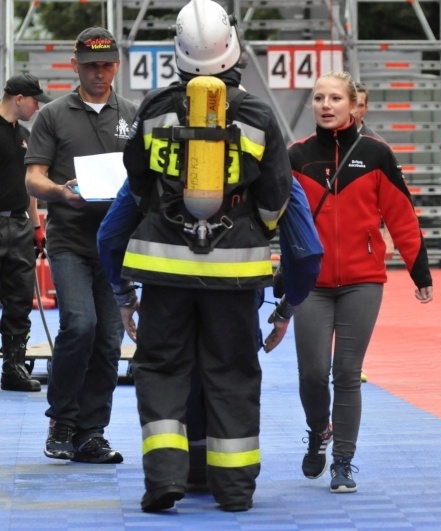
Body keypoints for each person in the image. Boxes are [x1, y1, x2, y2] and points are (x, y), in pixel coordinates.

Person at [118, 0, 293, 512]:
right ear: (232, 50)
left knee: (161, 370)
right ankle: (235, 490)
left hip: (165, 269)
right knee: (232, 372)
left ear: (179, 51)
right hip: (235, 274)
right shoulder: (259, 114)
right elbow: (277, 193)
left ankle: (165, 481)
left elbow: (138, 184)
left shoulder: (152, 109)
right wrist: (247, 231)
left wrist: (170, 222)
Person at [288, 70, 433, 494]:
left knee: (346, 372)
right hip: (311, 281)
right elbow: (277, 218)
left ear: (354, 105)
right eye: (318, 98)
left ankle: (343, 463)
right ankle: (319, 431)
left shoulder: (376, 154)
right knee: (312, 374)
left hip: (363, 280)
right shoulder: (295, 157)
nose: (326, 105)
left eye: (335, 98)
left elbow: (401, 216)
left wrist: (418, 270)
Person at [25, 27, 137, 462]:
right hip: (70, 238)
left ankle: (92, 431)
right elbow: (33, 177)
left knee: (109, 340)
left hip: (116, 245)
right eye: (91, 65)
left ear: (117, 65)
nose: (99, 72)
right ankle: (63, 420)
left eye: (107, 64)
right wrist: (59, 192)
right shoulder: (53, 115)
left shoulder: (132, 113)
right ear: (75, 66)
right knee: (80, 324)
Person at [0, 74, 51, 393]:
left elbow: (31, 185)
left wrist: (36, 228)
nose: (36, 107)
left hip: (18, 223)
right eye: (34, 101)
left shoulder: (25, 136)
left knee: (19, 298)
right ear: (19, 98)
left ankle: (13, 365)